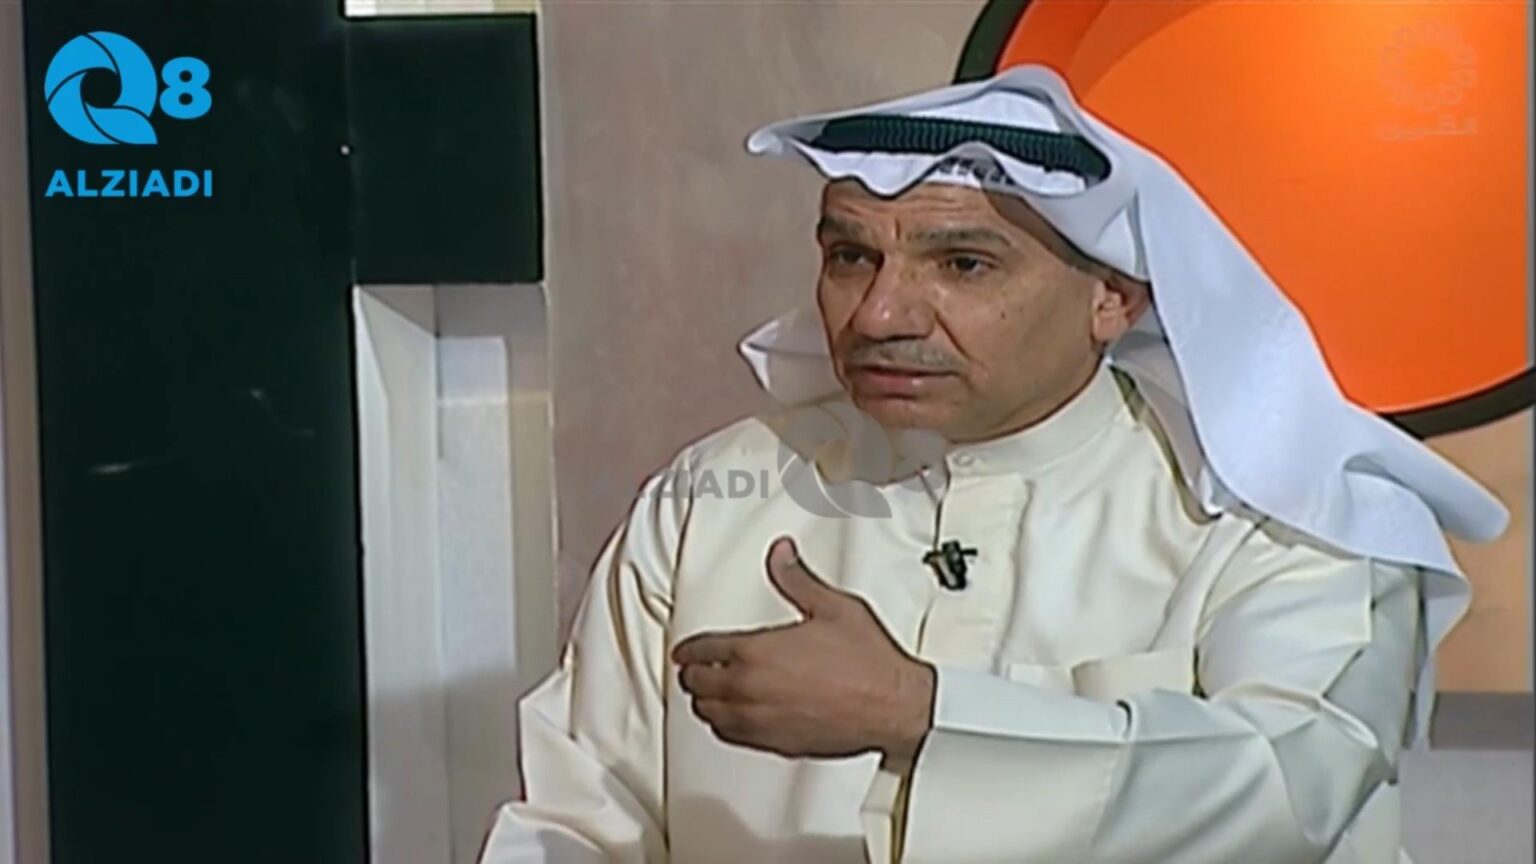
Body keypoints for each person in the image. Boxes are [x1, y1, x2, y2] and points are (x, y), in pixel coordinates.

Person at [478, 66, 1507, 864]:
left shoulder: (1282, 510)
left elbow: (1290, 792)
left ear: (1114, 296)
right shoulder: (713, 496)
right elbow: (576, 821)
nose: (880, 314)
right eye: (851, 257)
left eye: (962, 264)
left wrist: (915, 715)